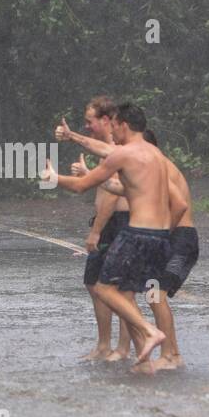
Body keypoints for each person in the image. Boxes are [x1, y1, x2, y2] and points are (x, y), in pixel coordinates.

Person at [42, 103, 171, 370]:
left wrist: (55, 178)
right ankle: (143, 362)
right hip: (161, 235)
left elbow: (81, 186)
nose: (112, 132)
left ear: (122, 125)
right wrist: (73, 137)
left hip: (137, 233)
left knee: (104, 289)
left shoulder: (123, 154)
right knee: (125, 293)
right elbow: (112, 169)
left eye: (114, 125)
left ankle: (150, 332)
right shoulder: (155, 155)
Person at [61, 122, 196, 371]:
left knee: (155, 296)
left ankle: (172, 355)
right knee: (135, 292)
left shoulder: (159, 166)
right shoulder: (150, 168)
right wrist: (88, 169)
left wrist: (165, 231)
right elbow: (115, 177)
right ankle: (152, 353)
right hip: (168, 236)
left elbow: (179, 206)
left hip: (179, 238)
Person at [76, 96, 132, 362]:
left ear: (106, 120)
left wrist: (96, 231)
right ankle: (104, 345)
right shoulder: (104, 148)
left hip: (117, 223)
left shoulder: (117, 146)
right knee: (93, 283)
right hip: (108, 223)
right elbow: (103, 185)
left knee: (118, 287)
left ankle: (122, 348)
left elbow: (111, 196)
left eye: (90, 121)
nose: (87, 126)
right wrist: (87, 173)